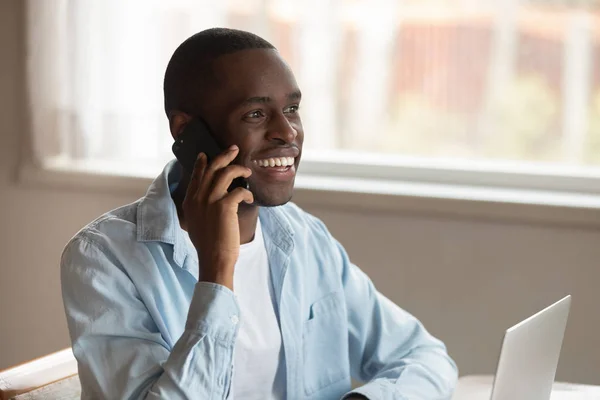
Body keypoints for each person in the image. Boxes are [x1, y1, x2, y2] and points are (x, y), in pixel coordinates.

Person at [61, 28, 458, 400]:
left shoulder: (304, 238)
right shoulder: (104, 258)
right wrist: (217, 272)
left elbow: (424, 356)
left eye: (292, 109)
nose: (287, 132)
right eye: (255, 114)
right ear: (186, 129)